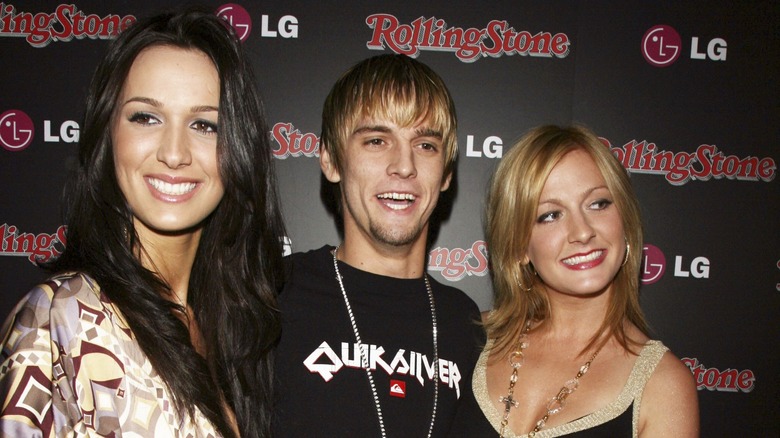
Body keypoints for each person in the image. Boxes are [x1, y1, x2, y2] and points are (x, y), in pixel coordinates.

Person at [0, 8, 285, 437]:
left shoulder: (233, 330)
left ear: (239, 148)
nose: (174, 153)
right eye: (146, 117)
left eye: (205, 124)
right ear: (107, 133)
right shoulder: (61, 318)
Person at [273, 54, 484, 437]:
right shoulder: (272, 293)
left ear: (447, 174)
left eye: (425, 145)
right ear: (331, 160)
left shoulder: (467, 325)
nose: (403, 165)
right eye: (376, 140)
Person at [452, 125, 699, 437]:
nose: (582, 232)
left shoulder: (662, 385)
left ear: (625, 220)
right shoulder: (463, 339)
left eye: (598, 204)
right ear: (518, 246)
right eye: (551, 215)